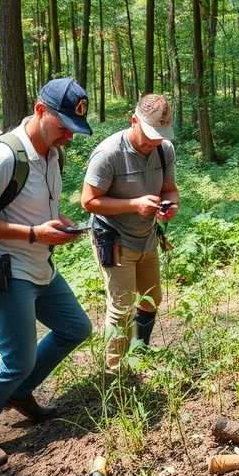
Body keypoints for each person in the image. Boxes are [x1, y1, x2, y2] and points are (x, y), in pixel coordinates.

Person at [0, 77, 93, 467]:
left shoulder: (51, 152)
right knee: (17, 357)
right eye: (63, 126)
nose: (68, 136)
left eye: (73, 129)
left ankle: (20, 393)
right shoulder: (3, 156)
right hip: (6, 269)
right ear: (39, 111)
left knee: (75, 328)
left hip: (39, 264)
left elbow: (34, 205)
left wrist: (58, 222)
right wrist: (34, 233)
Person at [80, 93, 179, 368]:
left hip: (146, 237)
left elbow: (169, 189)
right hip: (115, 239)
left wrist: (171, 206)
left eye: (160, 135)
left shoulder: (164, 149)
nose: (154, 141)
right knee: (122, 307)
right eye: (149, 134)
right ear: (134, 121)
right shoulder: (109, 153)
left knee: (150, 299)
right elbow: (89, 201)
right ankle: (116, 372)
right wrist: (134, 205)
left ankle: (141, 351)